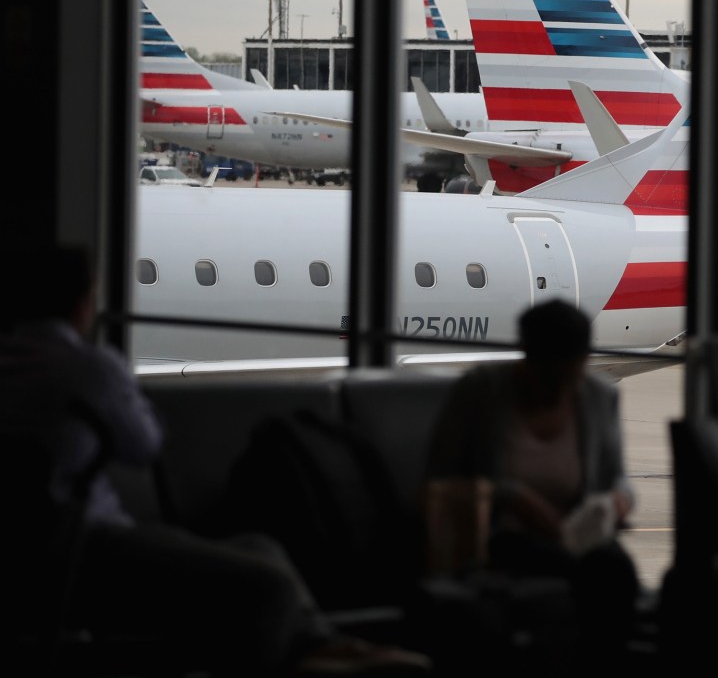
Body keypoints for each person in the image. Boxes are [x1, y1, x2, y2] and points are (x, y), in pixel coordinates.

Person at [0, 241, 432, 676]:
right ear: (80, 302)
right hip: (86, 552)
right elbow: (144, 445)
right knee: (269, 586)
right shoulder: (86, 369)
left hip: (40, 555)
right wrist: (113, 376)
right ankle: (316, 657)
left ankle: (322, 647)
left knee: (261, 548)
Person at [424, 298, 640, 666]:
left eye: (571, 374)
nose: (560, 388)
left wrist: (618, 500)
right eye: (549, 375)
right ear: (526, 355)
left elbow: (618, 478)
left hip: (574, 535)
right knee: (607, 574)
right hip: (495, 536)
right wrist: (511, 497)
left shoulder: (597, 398)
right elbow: (440, 478)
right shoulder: (479, 394)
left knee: (610, 567)